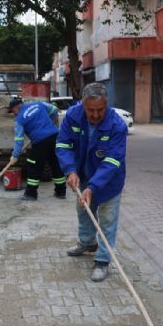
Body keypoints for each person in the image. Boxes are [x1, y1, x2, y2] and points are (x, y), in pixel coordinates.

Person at [55, 82, 127, 282]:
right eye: (90, 110)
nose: (95, 115)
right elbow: (62, 144)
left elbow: (113, 161)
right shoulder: (72, 116)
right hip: (83, 176)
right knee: (84, 211)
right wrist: (69, 170)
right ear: (83, 105)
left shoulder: (117, 126)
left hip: (109, 181)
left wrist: (94, 187)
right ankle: (87, 243)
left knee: (107, 220)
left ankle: (103, 260)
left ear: (107, 105)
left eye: (100, 110)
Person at [8, 98, 66, 201]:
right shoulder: (38, 104)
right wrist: (49, 123)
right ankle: (61, 192)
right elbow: (54, 109)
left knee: (33, 166)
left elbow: (19, 140)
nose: (13, 114)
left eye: (13, 111)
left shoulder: (19, 120)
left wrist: (15, 155)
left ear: (17, 107)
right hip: (55, 136)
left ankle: (31, 194)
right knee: (56, 164)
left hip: (40, 142)